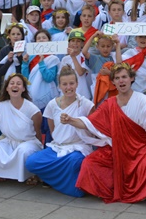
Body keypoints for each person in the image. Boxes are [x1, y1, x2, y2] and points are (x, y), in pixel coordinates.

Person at [64, 63, 146, 203]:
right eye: (117, 78)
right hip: (115, 150)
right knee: (89, 163)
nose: (121, 81)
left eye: (124, 77)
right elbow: (89, 122)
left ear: (131, 78)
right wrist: (71, 120)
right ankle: (113, 188)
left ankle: (144, 188)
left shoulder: (142, 99)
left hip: (140, 150)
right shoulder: (109, 104)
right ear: (113, 82)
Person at [25, 66, 95, 196]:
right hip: (58, 147)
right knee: (31, 162)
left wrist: (74, 122)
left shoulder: (85, 104)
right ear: (59, 86)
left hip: (78, 148)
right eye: (65, 84)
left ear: (77, 84)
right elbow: (52, 130)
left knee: (74, 161)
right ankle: (60, 182)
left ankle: (63, 182)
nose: (68, 87)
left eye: (71, 83)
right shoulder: (52, 104)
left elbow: (92, 128)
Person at [0, 73, 43, 183]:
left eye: (19, 84)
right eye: (12, 83)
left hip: (28, 142)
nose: (15, 86)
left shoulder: (32, 109)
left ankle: (28, 175)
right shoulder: (0, 107)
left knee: (22, 151)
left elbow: (37, 132)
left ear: (23, 89)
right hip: (9, 140)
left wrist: (39, 148)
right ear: (7, 88)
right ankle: (3, 174)